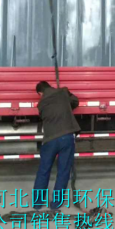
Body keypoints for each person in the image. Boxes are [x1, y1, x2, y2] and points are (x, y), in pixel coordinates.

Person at [33, 81, 81, 210]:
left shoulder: (41, 104)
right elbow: (75, 102)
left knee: (44, 170)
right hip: (67, 137)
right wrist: (67, 95)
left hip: (50, 140)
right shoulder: (63, 92)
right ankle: (55, 204)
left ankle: (37, 203)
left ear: (40, 93)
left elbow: (44, 116)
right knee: (63, 171)